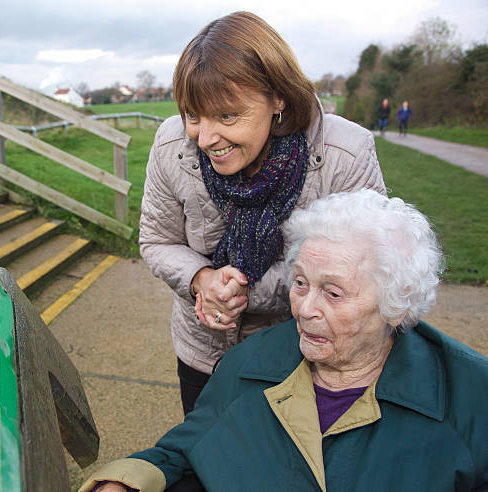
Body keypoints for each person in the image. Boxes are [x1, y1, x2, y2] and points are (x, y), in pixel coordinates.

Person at [81, 189, 488, 492]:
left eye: (333, 293)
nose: (305, 308)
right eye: (299, 283)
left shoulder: (470, 398)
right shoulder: (247, 365)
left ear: (397, 305)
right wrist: (124, 482)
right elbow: (184, 452)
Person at [139, 11, 386, 415]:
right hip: (203, 354)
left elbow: (362, 272)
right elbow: (157, 239)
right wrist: (202, 280)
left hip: (304, 358)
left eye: (227, 116)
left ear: (278, 98)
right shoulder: (171, 145)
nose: (205, 137)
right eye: (193, 115)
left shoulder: (346, 155)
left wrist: (241, 291)